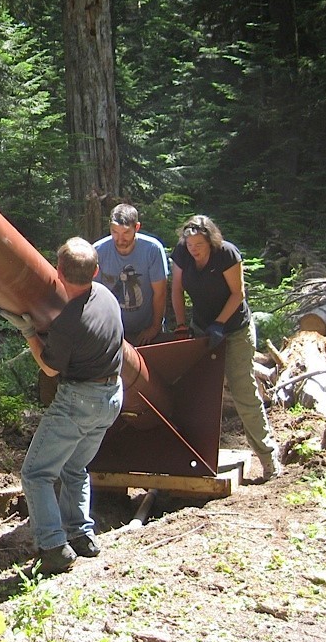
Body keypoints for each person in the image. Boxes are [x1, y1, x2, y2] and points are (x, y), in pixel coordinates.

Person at [0, 237, 124, 576]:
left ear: (58, 271)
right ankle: (81, 535)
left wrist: (28, 332)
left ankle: (54, 546)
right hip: (112, 396)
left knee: (36, 473)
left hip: (79, 402)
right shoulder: (107, 298)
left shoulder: (69, 323)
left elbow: (50, 368)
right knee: (74, 468)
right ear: (96, 271)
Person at [169, 214, 283, 482]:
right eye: (189, 244)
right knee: (199, 392)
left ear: (210, 240)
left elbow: (237, 293)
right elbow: (176, 289)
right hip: (201, 328)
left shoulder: (227, 254)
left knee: (243, 390)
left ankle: (268, 458)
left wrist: (220, 324)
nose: (193, 249)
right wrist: (182, 325)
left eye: (199, 244)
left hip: (235, 330)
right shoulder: (182, 254)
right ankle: (194, 457)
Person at [93, 203, 169, 346]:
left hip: (147, 329)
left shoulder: (152, 249)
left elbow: (160, 293)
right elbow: (94, 295)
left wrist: (154, 327)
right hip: (111, 331)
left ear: (137, 227)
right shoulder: (98, 250)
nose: (120, 239)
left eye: (126, 233)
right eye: (115, 232)